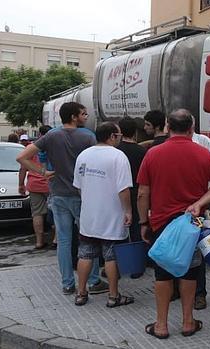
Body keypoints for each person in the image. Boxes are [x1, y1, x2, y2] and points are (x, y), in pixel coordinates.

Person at [138, 109, 210, 339]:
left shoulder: (153, 154)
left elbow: (143, 193)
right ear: (192, 128)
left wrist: (143, 222)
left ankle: (161, 325)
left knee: (162, 274)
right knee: (190, 272)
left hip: (161, 223)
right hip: (192, 224)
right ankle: (187, 322)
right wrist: (199, 203)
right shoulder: (202, 153)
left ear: (167, 127)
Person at [16, 102, 107, 295]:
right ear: (74, 117)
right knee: (88, 239)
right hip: (82, 195)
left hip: (58, 194)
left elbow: (22, 157)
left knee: (64, 241)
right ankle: (93, 280)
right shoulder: (88, 136)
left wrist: (42, 172)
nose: (85, 116)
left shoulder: (51, 136)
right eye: (83, 113)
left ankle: (67, 283)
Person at [72, 122, 134, 307]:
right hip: (112, 216)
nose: (120, 139)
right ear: (112, 136)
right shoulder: (118, 156)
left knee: (85, 254)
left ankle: (81, 293)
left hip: (89, 216)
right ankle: (114, 296)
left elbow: (79, 187)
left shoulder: (83, 155)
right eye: (119, 136)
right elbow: (124, 190)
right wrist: (128, 211)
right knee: (111, 256)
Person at [188, 113, 210, 310]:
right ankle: (178, 290)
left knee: (198, 248)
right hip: (176, 209)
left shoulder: (203, 142)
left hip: (199, 206)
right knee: (177, 249)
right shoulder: (166, 146)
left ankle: (199, 294)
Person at [117, 117, 147, 278]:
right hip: (136, 192)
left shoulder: (116, 151)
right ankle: (137, 267)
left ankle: (118, 264)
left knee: (118, 229)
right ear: (135, 131)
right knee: (137, 228)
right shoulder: (141, 151)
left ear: (120, 131)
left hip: (119, 193)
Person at [18, 127, 50, 249]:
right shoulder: (54, 147)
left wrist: (21, 184)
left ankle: (39, 241)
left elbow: (23, 169)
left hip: (34, 184)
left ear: (39, 134)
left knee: (37, 213)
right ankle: (56, 239)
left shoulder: (31, 148)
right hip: (50, 183)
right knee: (57, 212)